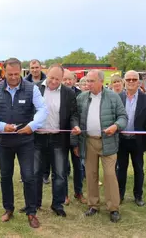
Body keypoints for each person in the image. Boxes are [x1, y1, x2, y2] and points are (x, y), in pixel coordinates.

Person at [0, 58, 47, 228]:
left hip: (26, 141)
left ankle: (31, 212)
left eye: (16, 74)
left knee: (29, 176)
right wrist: (2, 126)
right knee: (5, 176)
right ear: (3, 72)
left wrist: (32, 126)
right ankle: (8, 208)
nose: (13, 77)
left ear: (21, 71)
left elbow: (42, 110)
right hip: (4, 141)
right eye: (9, 74)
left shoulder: (32, 89)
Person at [19, 64, 80, 217]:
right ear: (47, 75)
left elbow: (73, 114)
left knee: (59, 174)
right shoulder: (35, 88)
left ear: (62, 79)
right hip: (37, 138)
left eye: (57, 79)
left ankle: (57, 205)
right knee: (35, 173)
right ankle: (34, 203)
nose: (53, 81)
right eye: (51, 77)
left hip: (58, 138)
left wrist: (75, 125)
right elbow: (27, 111)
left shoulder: (68, 93)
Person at [76, 70, 128, 223]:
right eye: (87, 81)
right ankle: (93, 205)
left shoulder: (113, 97)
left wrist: (116, 126)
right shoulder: (82, 98)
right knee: (91, 174)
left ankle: (113, 208)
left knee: (110, 175)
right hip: (88, 141)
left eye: (91, 81)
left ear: (100, 81)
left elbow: (123, 117)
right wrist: (76, 142)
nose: (88, 84)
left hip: (108, 141)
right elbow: (76, 119)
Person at [117, 70, 146, 206]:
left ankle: (138, 196)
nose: (131, 82)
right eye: (128, 79)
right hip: (121, 140)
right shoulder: (118, 98)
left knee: (138, 169)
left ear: (139, 82)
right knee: (120, 169)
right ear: (124, 81)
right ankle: (119, 195)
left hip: (137, 140)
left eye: (134, 79)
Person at [62, 69, 86, 205]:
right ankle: (64, 194)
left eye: (69, 79)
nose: (67, 81)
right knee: (63, 168)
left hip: (77, 137)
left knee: (78, 167)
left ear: (74, 80)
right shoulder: (58, 94)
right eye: (64, 79)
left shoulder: (81, 96)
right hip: (62, 137)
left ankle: (79, 192)